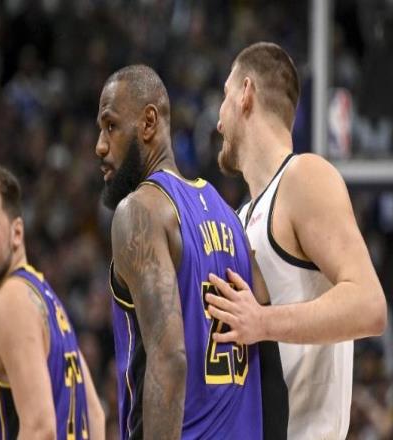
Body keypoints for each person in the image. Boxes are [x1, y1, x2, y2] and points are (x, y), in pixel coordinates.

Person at [207, 41, 388, 439]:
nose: (218, 121)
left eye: (224, 96)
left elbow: (369, 305)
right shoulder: (240, 218)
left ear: (246, 93)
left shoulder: (305, 176)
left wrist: (262, 322)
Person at [95, 65, 277, 439]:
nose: (100, 145)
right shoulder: (229, 217)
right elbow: (270, 349)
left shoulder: (140, 211)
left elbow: (170, 358)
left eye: (110, 126)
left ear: (148, 123)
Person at [0, 164, 105, 440]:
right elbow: (95, 415)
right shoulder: (46, 297)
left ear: (17, 232)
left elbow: (40, 429)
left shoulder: (11, 301)